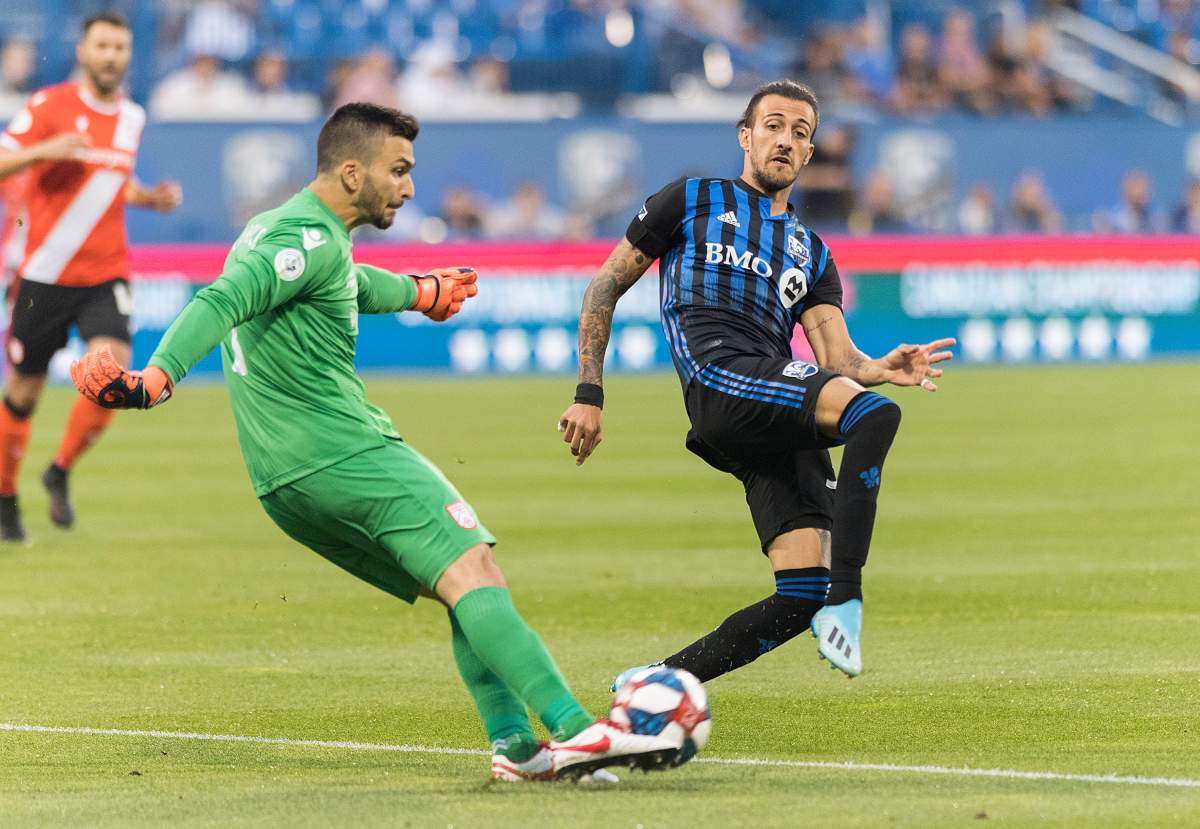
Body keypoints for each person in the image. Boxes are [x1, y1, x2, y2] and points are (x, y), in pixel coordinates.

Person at [69, 102, 691, 783]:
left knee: (463, 585)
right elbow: (221, 300)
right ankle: (581, 731)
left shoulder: (283, 233)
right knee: (476, 571)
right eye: (399, 171)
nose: (410, 187)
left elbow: (345, 282)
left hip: (284, 482)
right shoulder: (302, 238)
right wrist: (156, 378)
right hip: (343, 451)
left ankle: (518, 748)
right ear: (350, 171)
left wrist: (420, 291)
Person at [557, 80, 953, 681]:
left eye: (801, 133)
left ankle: (657, 684)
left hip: (771, 398)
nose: (785, 140)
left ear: (810, 154)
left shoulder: (812, 252)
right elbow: (605, 286)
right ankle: (851, 597)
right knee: (874, 417)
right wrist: (590, 392)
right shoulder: (689, 200)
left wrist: (877, 369)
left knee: (801, 593)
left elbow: (837, 359)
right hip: (721, 377)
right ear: (745, 136)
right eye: (773, 125)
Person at [0, 13, 182, 541]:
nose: (111, 56)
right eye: (102, 45)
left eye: (120, 47)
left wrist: (147, 198)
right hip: (44, 276)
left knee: (114, 377)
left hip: (105, 273)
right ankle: (6, 498)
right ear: (83, 51)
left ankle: (59, 469)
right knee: (25, 391)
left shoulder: (132, 116)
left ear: (128, 54)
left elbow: (109, 180)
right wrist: (44, 151)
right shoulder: (49, 106)